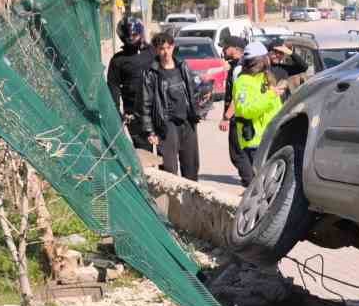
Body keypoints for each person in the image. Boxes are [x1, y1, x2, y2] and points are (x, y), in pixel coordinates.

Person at [141, 31, 205, 181]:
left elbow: (192, 92)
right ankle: (173, 204)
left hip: (187, 123)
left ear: (173, 47)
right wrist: (150, 131)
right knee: (169, 170)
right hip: (166, 125)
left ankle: (190, 203)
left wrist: (197, 110)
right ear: (156, 50)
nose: (165, 52)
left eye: (168, 48)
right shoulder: (151, 73)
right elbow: (145, 103)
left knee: (191, 167)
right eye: (161, 49)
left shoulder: (182, 67)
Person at [231, 41, 284, 175]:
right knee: (262, 183)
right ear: (260, 60)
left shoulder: (265, 78)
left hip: (271, 138)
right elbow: (245, 110)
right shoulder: (243, 82)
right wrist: (270, 95)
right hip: (255, 142)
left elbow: (275, 108)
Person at [105, 16, 155, 148]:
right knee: (144, 152)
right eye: (128, 36)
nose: (132, 38)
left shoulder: (152, 52)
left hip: (158, 111)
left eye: (135, 35)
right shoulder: (118, 61)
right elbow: (113, 88)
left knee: (167, 159)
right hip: (135, 115)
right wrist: (117, 114)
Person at [217, 36, 253, 185]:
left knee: (238, 153)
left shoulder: (239, 68)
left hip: (238, 116)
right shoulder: (241, 64)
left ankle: (250, 183)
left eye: (226, 47)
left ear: (236, 49)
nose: (223, 49)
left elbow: (238, 96)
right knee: (245, 152)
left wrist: (226, 117)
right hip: (246, 115)